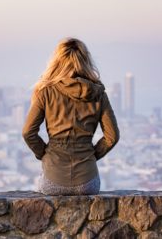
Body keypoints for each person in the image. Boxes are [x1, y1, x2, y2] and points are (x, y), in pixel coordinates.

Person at [22, 38, 119, 195]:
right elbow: (112, 137)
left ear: (57, 62)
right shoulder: (99, 94)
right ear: (86, 61)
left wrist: (44, 155)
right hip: (88, 182)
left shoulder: (45, 92)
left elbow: (28, 132)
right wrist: (91, 155)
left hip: (53, 179)